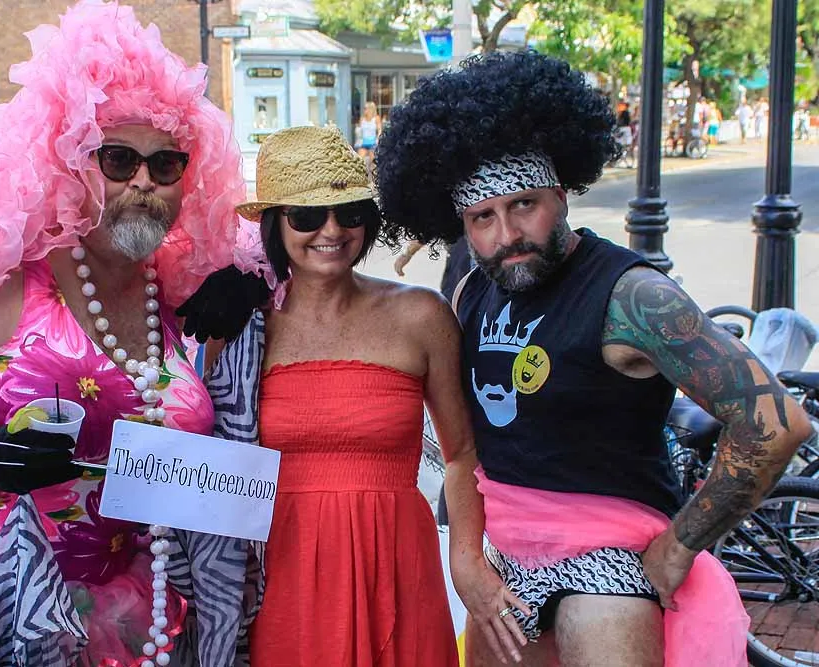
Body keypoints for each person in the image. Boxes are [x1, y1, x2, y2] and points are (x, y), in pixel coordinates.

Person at [0, 2, 272, 665]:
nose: (143, 182)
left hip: (126, 619)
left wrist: (256, 278)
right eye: (118, 159)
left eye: (166, 165)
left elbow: (310, 251)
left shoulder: (178, 291)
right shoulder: (0, 278)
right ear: (71, 163)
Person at [375, 51, 812, 667]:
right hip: (508, 560)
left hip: (608, 564)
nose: (506, 235)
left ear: (561, 195)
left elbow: (775, 422)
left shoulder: (633, 296)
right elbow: (462, 449)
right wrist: (467, 559)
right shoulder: (472, 290)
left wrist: (676, 551)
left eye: (524, 204)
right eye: (482, 217)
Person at [223, 125, 468, 665]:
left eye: (349, 213)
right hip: (282, 575)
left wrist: (467, 562)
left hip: (397, 566)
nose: (331, 230)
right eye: (307, 216)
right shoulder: (243, 326)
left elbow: (463, 455)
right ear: (273, 224)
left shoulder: (422, 315)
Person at [355, 101, 381, 172]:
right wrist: (357, 130)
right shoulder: (362, 119)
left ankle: (373, 177)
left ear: (370, 109)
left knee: (373, 162)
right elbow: (359, 131)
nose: (364, 110)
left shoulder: (376, 118)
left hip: (373, 143)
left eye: (365, 108)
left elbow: (379, 130)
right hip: (364, 143)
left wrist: (378, 139)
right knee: (359, 161)